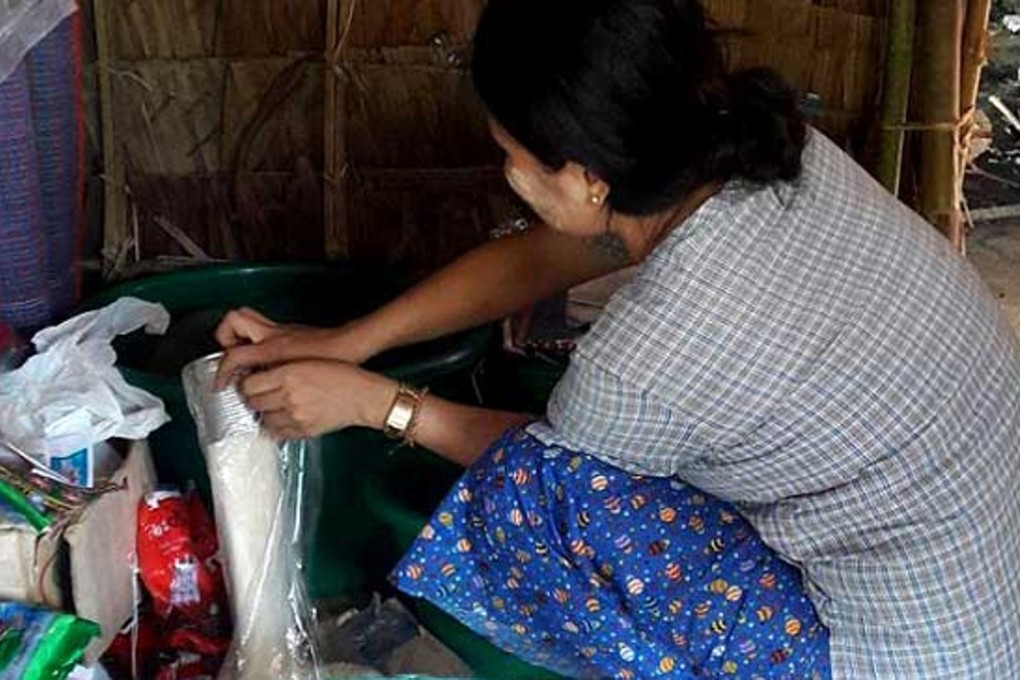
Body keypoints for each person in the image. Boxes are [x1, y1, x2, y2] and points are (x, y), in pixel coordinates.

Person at [215, 0, 1020, 677]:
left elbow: (551, 469)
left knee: (531, 501)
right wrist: (354, 340)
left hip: (899, 652)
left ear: (587, 176)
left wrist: (378, 406)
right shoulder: (765, 154)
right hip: (990, 576)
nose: (507, 174)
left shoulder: (648, 355)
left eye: (509, 153)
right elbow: (553, 252)